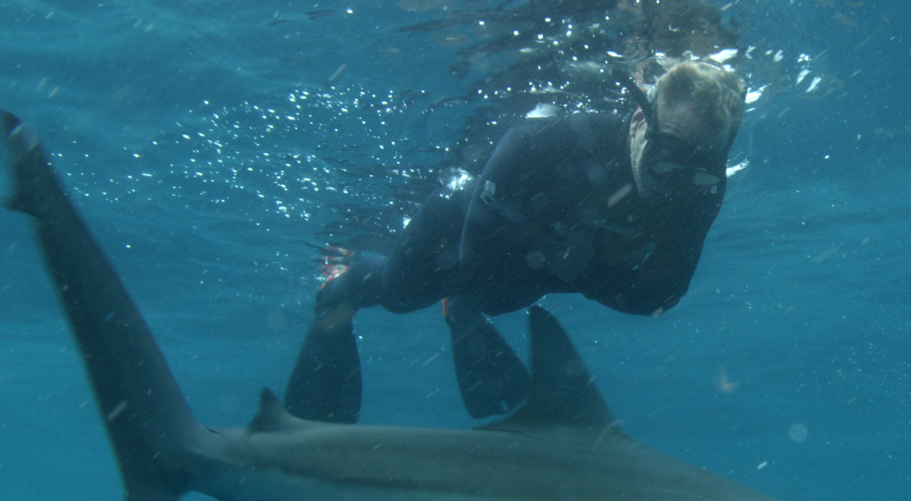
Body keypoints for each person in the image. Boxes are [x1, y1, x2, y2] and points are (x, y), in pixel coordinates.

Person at [286, 59, 746, 423]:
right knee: (402, 294)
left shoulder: (701, 191)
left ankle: (464, 307)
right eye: (668, 161)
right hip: (457, 235)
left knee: (500, 299)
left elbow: (663, 295)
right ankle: (339, 287)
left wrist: (582, 270)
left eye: (700, 168)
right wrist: (572, 266)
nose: (676, 185)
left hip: (545, 267)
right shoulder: (547, 140)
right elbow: (473, 259)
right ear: (640, 124)